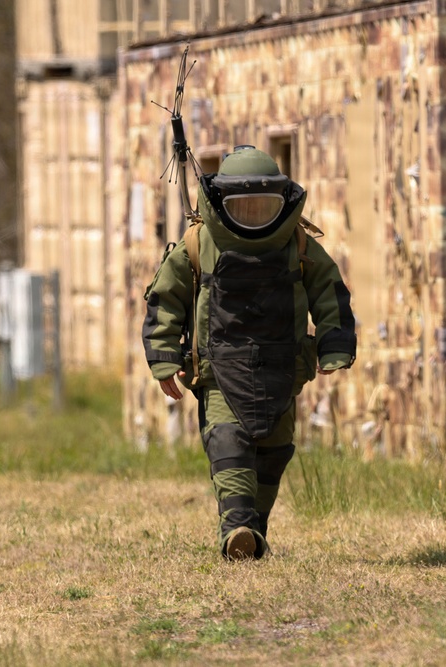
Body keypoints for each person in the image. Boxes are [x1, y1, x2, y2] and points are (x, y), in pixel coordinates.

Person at [142, 145, 357, 560]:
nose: (254, 215)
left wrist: (334, 344)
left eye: (264, 206)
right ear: (222, 202)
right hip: (219, 371)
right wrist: (164, 357)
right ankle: (236, 526)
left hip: (283, 369)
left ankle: (252, 531)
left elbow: (329, 293)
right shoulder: (198, 243)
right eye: (243, 207)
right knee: (228, 443)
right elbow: (165, 300)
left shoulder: (296, 243)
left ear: (282, 201)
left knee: (274, 453)